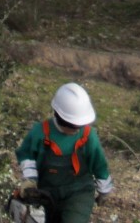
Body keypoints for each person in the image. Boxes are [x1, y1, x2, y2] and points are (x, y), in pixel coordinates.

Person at [15, 82, 113, 223]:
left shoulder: (88, 135)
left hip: (79, 192)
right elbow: (27, 155)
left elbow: (99, 165)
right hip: (46, 193)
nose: (76, 129)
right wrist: (30, 181)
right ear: (59, 116)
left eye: (79, 125)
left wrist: (104, 190)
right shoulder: (41, 132)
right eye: (73, 126)